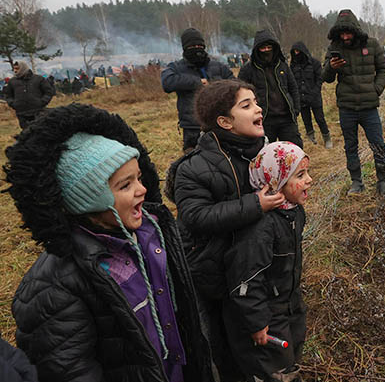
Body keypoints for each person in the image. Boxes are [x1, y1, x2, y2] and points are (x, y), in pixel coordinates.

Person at [4, 103, 214, 382]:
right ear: (88, 199)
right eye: (125, 185)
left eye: (139, 178)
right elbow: (71, 369)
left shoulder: (154, 235)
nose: (142, 190)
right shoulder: (54, 287)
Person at [167, 79, 286, 382]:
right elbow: (195, 216)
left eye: (256, 101)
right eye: (246, 106)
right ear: (225, 122)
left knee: (257, 332)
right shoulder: (194, 168)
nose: (258, 108)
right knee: (224, 346)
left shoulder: (263, 154)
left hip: (250, 268)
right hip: (211, 273)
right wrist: (255, 204)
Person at [224, 141, 311, 382]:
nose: (310, 180)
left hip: (290, 304)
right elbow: (246, 279)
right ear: (276, 181)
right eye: (301, 175)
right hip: (268, 316)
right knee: (273, 369)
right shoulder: (262, 227)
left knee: (291, 357)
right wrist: (257, 322)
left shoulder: (294, 212)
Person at [322, 9, 385, 195]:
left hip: (369, 107)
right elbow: (325, 78)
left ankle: (383, 181)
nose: (345, 36)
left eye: (348, 32)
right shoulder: (334, 48)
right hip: (347, 107)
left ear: (355, 30)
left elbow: (384, 68)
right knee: (350, 146)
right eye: (342, 33)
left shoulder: (372, 44)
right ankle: (356, 182)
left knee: (378, 144)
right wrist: (331, 67)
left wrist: (376, 89)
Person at [162, 28, 234, 152]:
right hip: (192, 128)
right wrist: (197, 82)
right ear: (185, 48)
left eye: (200, 45)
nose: (197, 48)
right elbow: (167, 83)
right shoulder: (176, 67)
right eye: (192, 46)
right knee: (193, 163)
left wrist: (216, 85)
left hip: (220, 124)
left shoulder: (218, 67)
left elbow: (236, 84)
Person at [238, 30, 302, 147]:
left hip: (287, 118)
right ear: (257, 50)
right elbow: (240, 94)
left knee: (294, 151)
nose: (267, 51)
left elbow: (293, 88)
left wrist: (296, 109)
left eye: (269, 47)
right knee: (265, 154)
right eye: (263, 48)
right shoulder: (248, 69)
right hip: (263, 119)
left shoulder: (282, 65)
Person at [290, 41, 331, 148]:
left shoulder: (315, 63)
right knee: (306, 120)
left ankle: (327, 138)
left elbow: (320, 78)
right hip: (301, 98)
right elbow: (292, 82)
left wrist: (315, 91)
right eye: (294, 52)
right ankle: (311, 139)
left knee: (320, 118)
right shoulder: (293, 65)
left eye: (298, 51)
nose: (296, 53)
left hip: (315, 97)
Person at [4, 61, 54, 129]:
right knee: (27, 134)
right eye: (14, 69)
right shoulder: (12, 82)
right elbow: (8, 95)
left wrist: (42, 102)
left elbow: (48, 92)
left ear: (23, 68)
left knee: (40, 131)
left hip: (38, 111)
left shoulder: (39, 79)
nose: (15, 71)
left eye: (17, 68)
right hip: (21, 113)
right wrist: (13, 104)